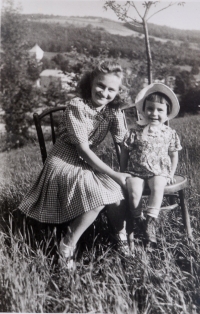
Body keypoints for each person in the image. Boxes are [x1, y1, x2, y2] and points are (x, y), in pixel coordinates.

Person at [18, 60, 132, 268]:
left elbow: (123, 143)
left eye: (111, 90)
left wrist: (126, 171)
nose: (104, 93)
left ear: (118, 92)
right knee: (98, 197)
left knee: (117, 192)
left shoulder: (112, 111)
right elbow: (83, 150)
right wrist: (115, 174)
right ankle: (67, 246)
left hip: (86, 163)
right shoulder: (76, 106)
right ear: (90, 83)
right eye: (100, 85)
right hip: (63, 161)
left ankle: (120, 238)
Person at [120, 83, 182, 248]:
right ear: (143, 110)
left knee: (158, 185)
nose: (154, 113)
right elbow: (125, 152)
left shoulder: (169, 133)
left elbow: (173, 155)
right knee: (133, 192)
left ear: (167, 112)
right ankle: (138, 219)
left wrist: (170, 174)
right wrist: (123, 172)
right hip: (135, 171)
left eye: (160, 110)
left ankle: (150, 222)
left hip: (159, 172)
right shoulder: (135, 131)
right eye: (150, 109)